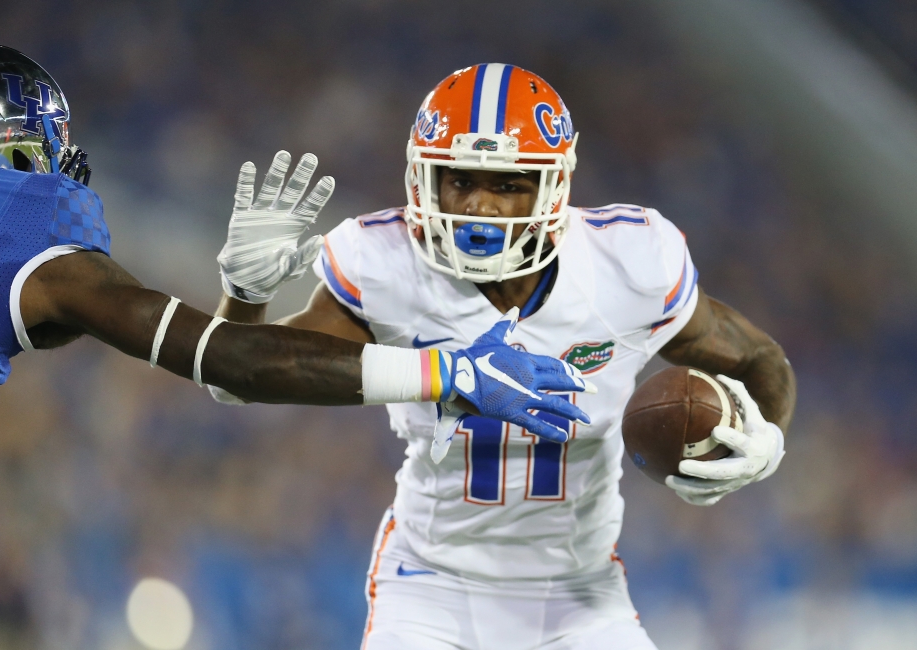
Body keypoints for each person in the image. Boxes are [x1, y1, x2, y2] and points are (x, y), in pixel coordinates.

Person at [0, 45, 596, 530]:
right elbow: (235, 365)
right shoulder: (19, 222)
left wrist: (245, 294)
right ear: (11, 147)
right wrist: (452, 370)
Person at [215, 63, 797, 649]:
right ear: (425, 180)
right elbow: (240, 375)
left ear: (553, 189)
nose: (480, 207)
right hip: (429, 584)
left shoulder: (628, 264)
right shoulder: (386, 262)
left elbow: (758, 357)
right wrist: (245, 296)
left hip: (578, 591)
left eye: (507, 184)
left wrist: (768, 437)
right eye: (460, 181)